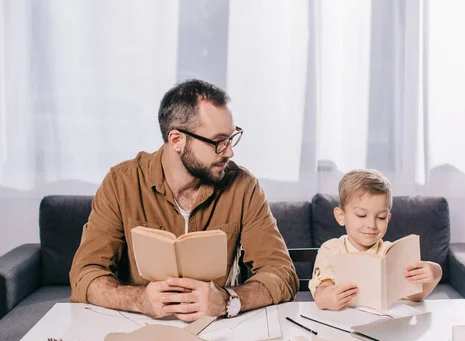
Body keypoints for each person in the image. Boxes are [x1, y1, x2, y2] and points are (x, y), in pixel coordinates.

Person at [69, 79, 299, 321]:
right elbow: (85, 274)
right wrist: (139, 300)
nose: (229, 151)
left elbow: (282, 273)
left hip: (222, 329)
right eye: (218, 141)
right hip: (141, 327)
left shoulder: (243, 186)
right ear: (177, 140)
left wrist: (228, 299)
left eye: (232, 138)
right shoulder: (121, 183)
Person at [309, 169, 442, 310]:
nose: (371, 225)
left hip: (384, 324)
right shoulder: (331, 249)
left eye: (381, 217)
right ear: (341, 216)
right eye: (361, 215)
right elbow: (321, 292)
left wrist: (436, 273)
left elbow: (415, 296)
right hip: (342, 322)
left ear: (388, 218)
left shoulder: (392, 253)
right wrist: (328, 297)